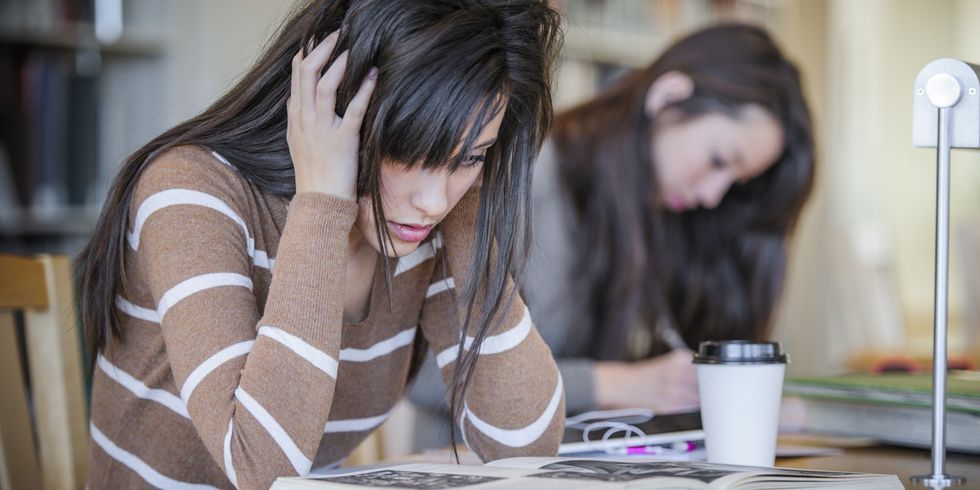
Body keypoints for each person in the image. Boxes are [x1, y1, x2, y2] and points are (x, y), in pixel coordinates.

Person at [75, 1, 565, 488]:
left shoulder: (425, 220)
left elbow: (525, 448)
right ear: (332, 101)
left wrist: (471, 205)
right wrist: (323, 203)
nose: (434, 200)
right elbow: (260, 468)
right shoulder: (190, 191)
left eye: (473, 157)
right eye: (411, 150)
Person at [408, 23, 814, 450]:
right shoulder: (526, 175)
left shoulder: (658, 216)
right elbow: (423, 374)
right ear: (669, 96)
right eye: (717, 160)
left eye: (735, 182)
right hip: (472, 466)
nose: (714, 196)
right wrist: (615, 384)